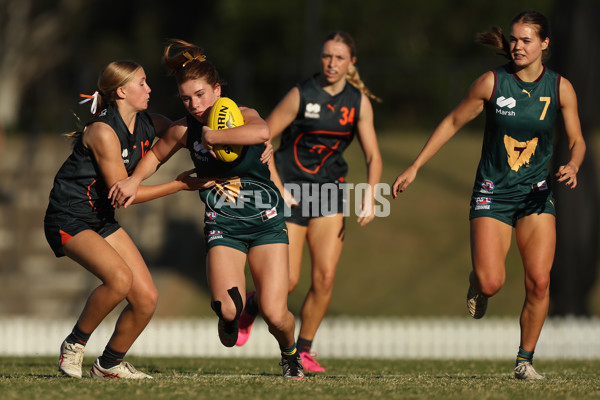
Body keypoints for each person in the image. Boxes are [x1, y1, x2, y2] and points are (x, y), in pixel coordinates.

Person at [392, 10, 586, 380]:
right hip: (493, 193)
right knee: (492, 281)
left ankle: (524, 361)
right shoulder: (491, 84)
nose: (517, 46)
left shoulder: (561, 88)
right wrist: (415, 166)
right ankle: (477, 283)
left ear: (544, 44)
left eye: (526, 40)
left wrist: (574, 164)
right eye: (514, 39)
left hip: (536, 195)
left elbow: (577, 140)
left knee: (540, 281)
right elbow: (451, 121)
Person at [108, 39, 304, 379]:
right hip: (223, 223)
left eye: (200, 95)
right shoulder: (185, 129)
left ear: (216, 90)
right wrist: (132, 180)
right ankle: (231, 319)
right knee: (228, 310)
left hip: (266, 221)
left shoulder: (242, 115)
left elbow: (262, 130)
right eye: (186, 98)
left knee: (275, 313)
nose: (194, 104)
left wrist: (218, 138)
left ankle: (290, 355)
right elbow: (155, 155)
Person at [45, 60, 211, 379]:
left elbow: (189, 131)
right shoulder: (103, 132)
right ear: (121, 91)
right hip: (68, 216)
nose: (149, 89)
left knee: (146, 298)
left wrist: (231, 126)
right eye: (142, 83)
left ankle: (109, 365)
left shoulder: (151, 122)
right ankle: (74, 345)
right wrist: (180, 185)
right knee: (120, 280)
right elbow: (124, 194)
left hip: (100, 218)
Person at [235, 30, 383, 373]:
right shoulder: (301, 94)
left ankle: (303, 350)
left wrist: (371, 196)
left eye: (339, 58)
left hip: (329, 194)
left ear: (352, 63)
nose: (331, 63)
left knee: (326, 278)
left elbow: (374, 156)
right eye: (327, 56)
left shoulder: (357, 102)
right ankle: (252, 306)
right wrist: (275, 184)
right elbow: (262, 137)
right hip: (290, 191)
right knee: (286, 282)